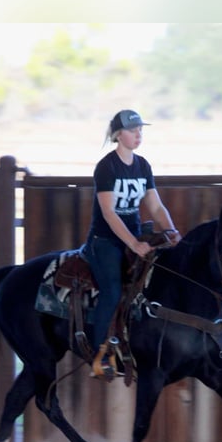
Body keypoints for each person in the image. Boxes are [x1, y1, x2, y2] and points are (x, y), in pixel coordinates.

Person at [82, 109, 181, 378]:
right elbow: (109, 212)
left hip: (135, 236)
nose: (138, 135)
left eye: (140, 130)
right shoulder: (106, 167)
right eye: (132, 130)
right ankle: (99, 352)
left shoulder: (143, 166)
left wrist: (170, 230)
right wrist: (134, 244)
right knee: (112, 291)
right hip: (106, 240)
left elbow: (155, 205)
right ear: (118, 135)